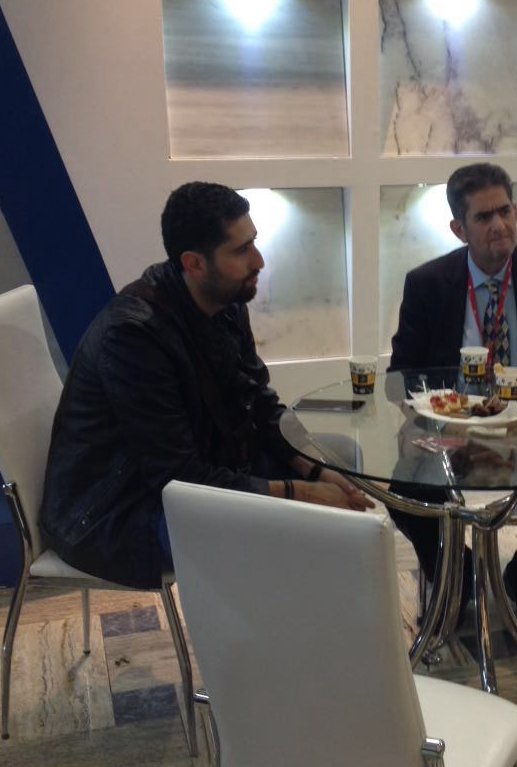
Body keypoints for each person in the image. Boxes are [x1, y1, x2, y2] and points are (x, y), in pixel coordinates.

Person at [40, 182, 371, 590]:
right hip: (118, 511)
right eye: (241, 250)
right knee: (277, 527)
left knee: (341, 456)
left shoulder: (225, 300)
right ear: (194, 263)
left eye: (254, 242)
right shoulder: (132, 336)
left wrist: (315, 468)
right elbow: (178, 476)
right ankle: (270, 623)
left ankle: (320, 608)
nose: (259, 260)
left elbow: (259, 403)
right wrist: (300, 493)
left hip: (204, 470)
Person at [389, 162, 517, 639]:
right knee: (402, 492)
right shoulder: (427, 284)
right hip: (454, 425)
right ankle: (457, 571)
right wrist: (434, 418)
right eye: (484, 217)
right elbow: (400, 375)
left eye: (505, 211)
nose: (500, 225)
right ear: (459, 229)